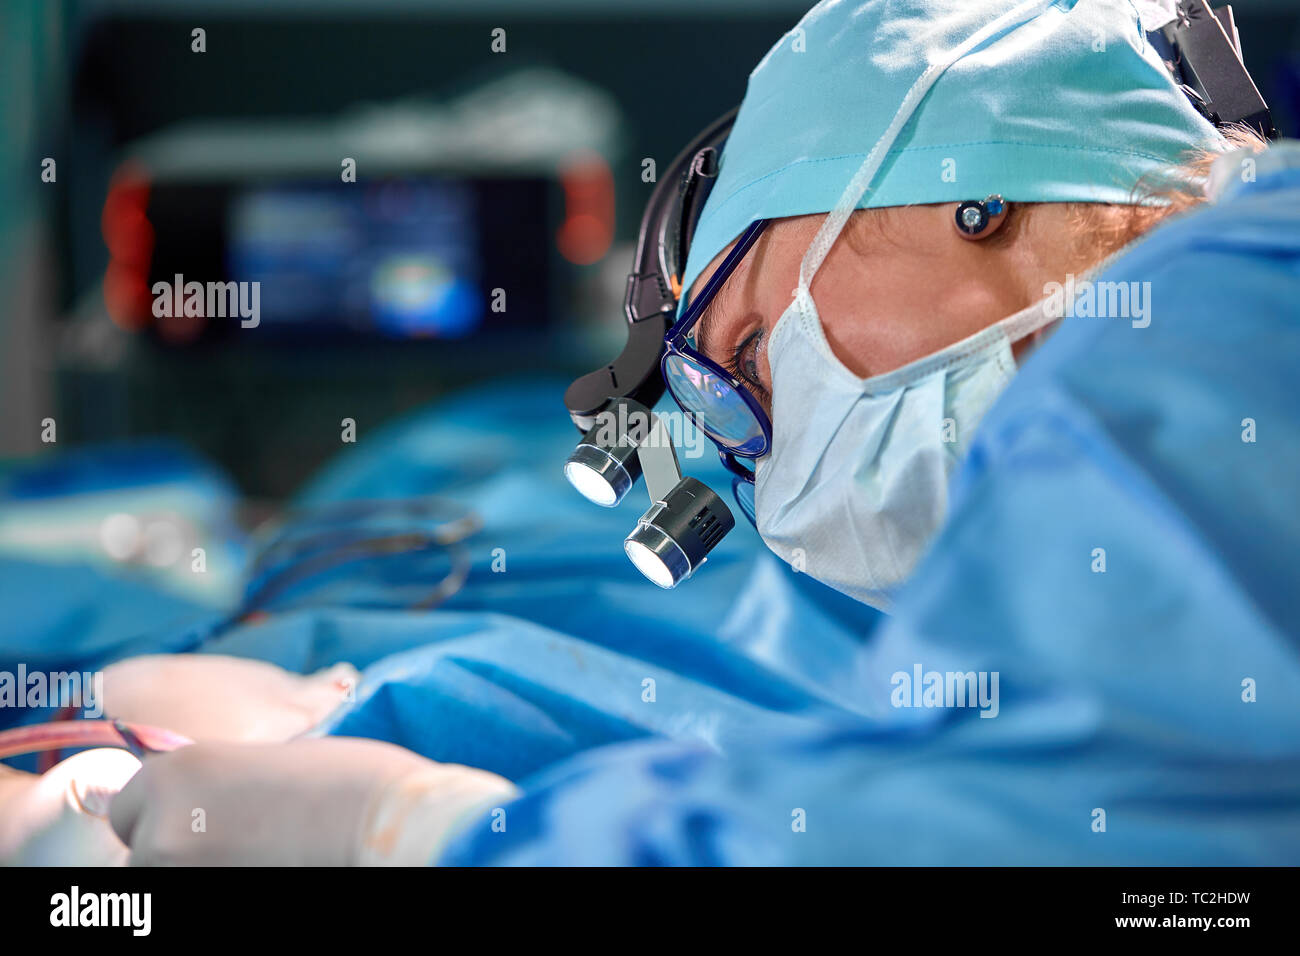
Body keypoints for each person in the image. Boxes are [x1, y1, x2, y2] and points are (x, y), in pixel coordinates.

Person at [22, 0, 1298, 865]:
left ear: (970, 191)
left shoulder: (1225, 306)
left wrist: (434, 831)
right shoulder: (1092, 519)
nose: (782, 486)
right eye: (732, 429)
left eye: (750, 352)